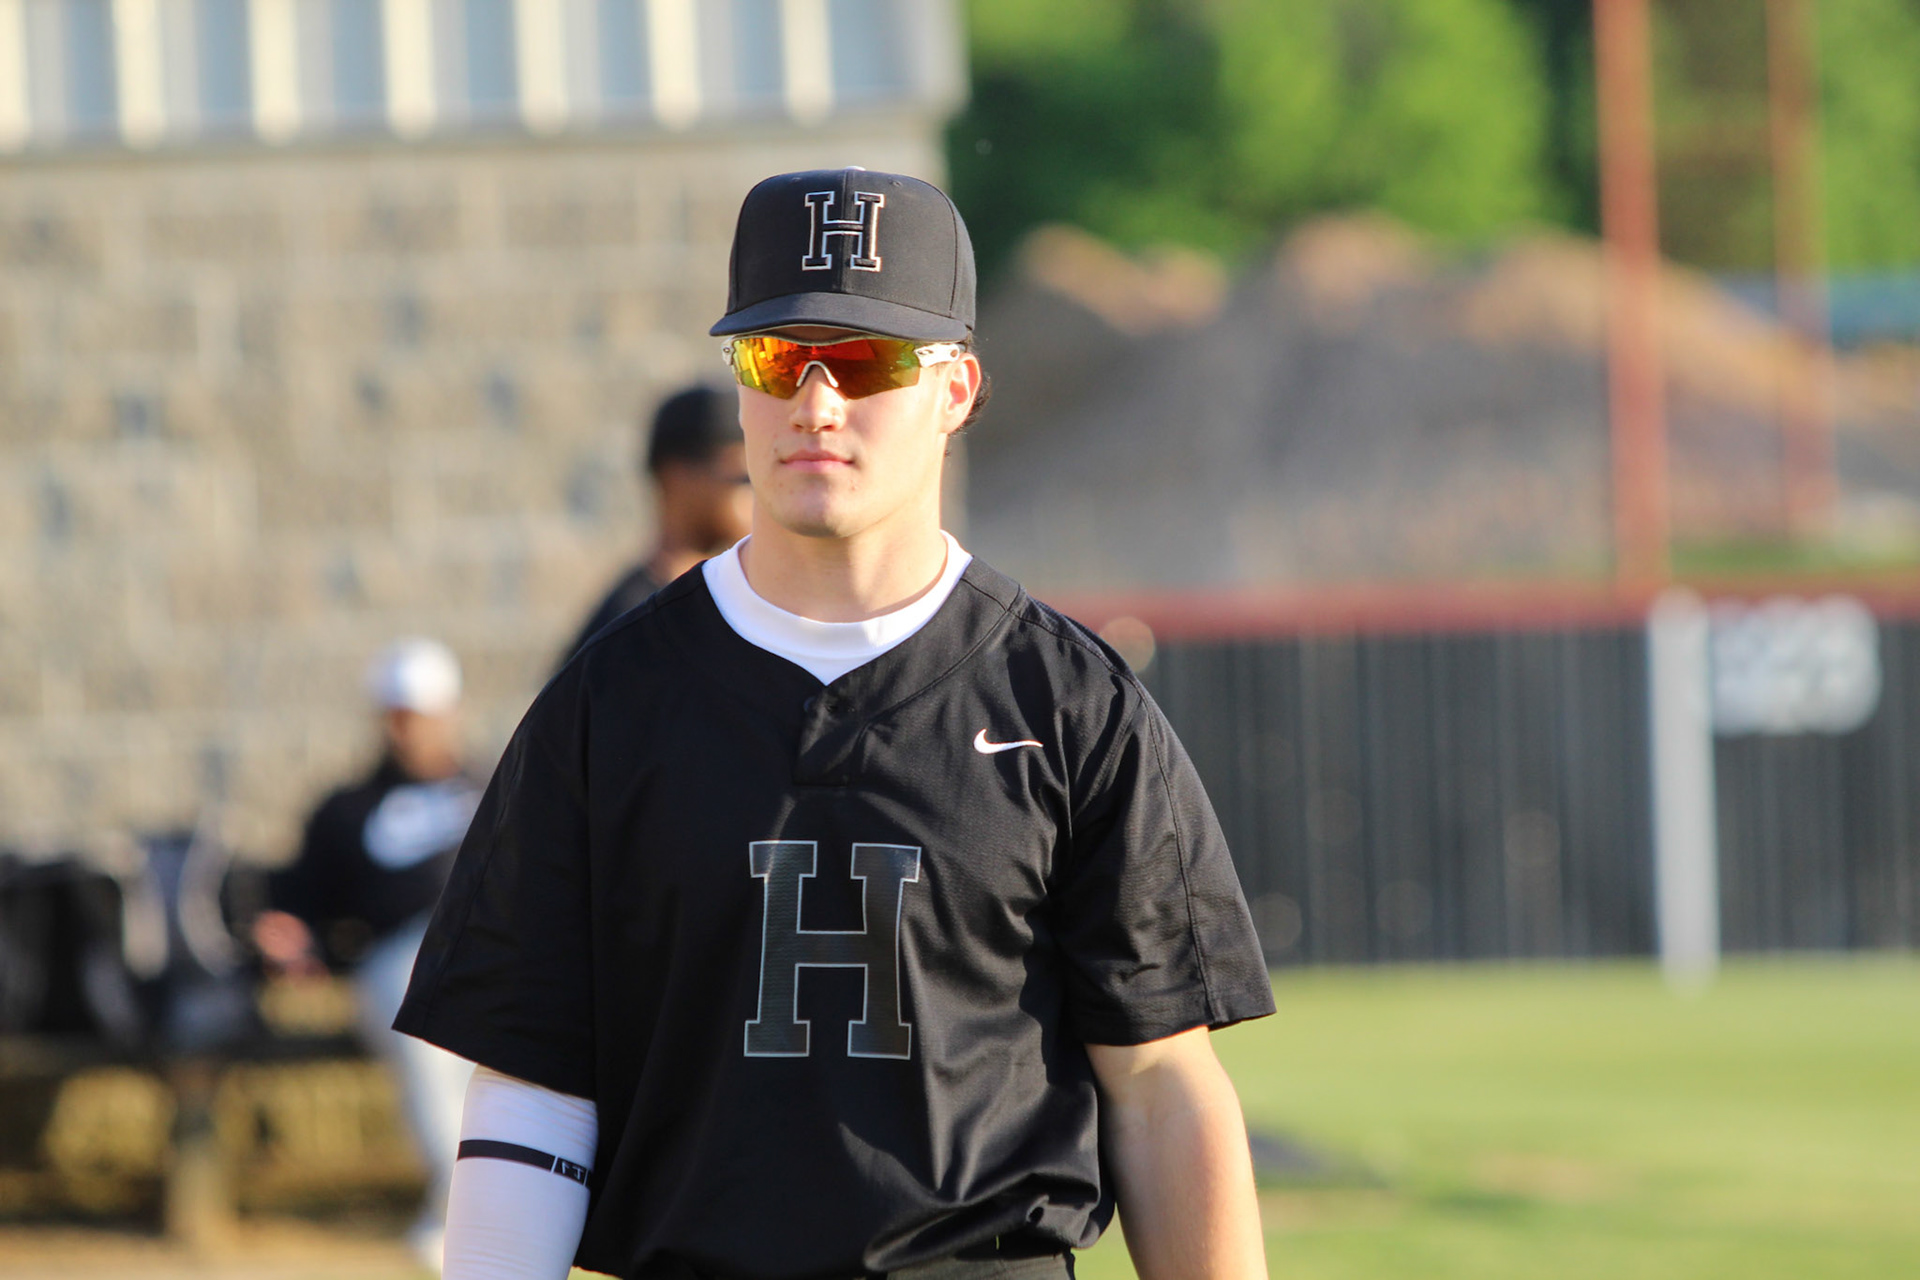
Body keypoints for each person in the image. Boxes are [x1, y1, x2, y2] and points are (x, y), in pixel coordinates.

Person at [397, 168, 1275, 1280]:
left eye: (865, 360)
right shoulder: (608, 701)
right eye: (778, 358)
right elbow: (533, 1086)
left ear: (956, 388)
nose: (816, 404)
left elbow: (1159, 1083)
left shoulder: (1070, 703)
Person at [253, 638, 483, 1271]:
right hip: (398, 959)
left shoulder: (498, 786)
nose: (412, 731)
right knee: (424, 1027)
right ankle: (462, 1208)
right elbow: (298, 904)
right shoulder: (346, 811)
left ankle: (477, 1210)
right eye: (400, 716)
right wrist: (292, 939)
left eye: (424, 715)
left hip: (491, 952)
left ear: (452, 712)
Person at [558, 385, 754, 665]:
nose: (760, 496)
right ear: (678, 476)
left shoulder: (729, 606)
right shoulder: (631, 628)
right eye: (745, 478)